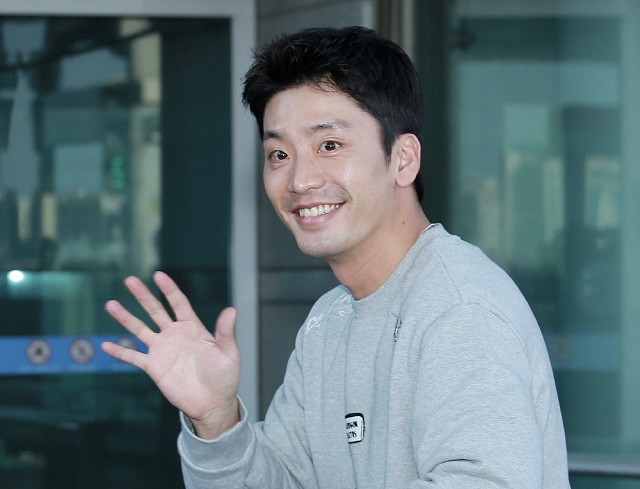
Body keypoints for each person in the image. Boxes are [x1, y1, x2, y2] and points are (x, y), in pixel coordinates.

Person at [102, 26, 571, 488]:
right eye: (278, 154)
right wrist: (217, 421)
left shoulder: (457, 308)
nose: (300, 180)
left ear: (404, 159)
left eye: (329, 145)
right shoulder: (331, 319)